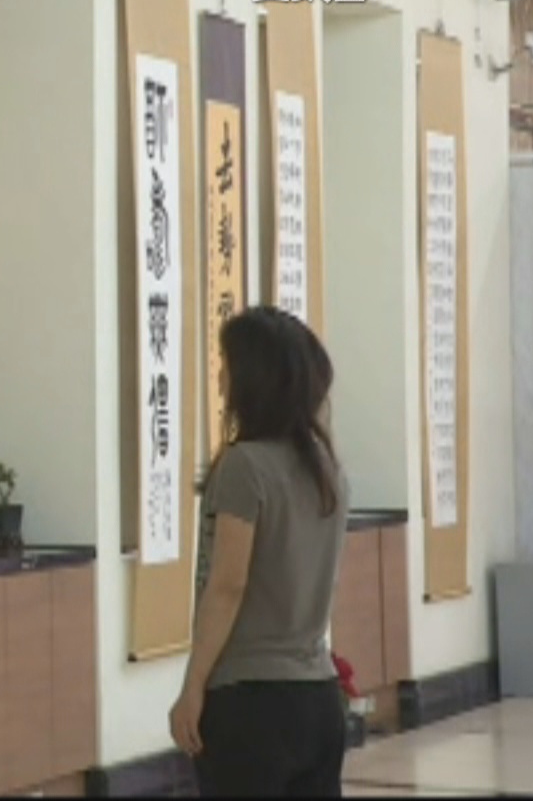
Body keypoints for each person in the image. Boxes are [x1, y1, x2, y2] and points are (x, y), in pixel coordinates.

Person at [168, 305, 350, 797]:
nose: (220, 378)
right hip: (319, 697)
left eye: (226, 363)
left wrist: (192, 685)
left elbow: (228, 585)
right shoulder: (329, 473)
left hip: (249, 702)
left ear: (254, 378)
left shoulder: (244, 467)